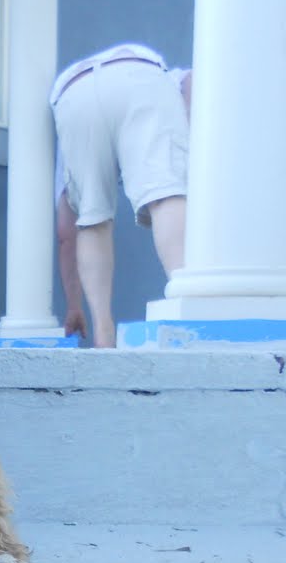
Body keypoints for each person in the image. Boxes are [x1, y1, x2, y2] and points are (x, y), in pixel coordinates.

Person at [52, 44, 191, 348]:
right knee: (166, 192)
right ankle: (187, 301)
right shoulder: (172, 80)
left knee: (91, 216)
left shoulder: (67, 127)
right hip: (140, 74)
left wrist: (74, 306)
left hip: (73, 94)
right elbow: (193, 84)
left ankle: (103, 331)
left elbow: (67, 232)